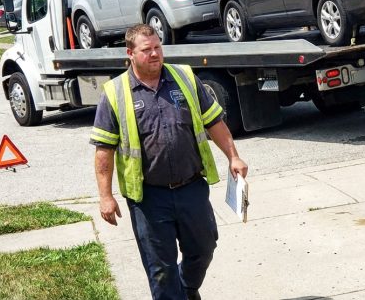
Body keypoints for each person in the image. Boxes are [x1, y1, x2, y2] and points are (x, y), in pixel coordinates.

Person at [91, 24, 248, 300]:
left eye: (157, 47)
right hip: (149, 198)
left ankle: (187, 289)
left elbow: (214, 121)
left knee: (204, 248)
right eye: (146, 50)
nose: (154, 54)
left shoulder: (185, 77)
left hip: (191, 187)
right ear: (130, 53)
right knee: (161, 270)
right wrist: (106, 196)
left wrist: (233, 156)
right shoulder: (115, 93)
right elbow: (104, 149)